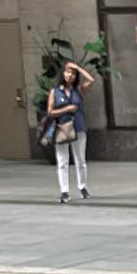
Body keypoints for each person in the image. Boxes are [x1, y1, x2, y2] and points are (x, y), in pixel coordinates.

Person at [43, 61, 94, 202]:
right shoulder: (55, 91)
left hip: (78, 127)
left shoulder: (78, 90)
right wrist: (67, 109)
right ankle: (64, 191)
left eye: (73, 73)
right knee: (62, 161)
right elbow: (50, 112)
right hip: (62, 128)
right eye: (67, 72)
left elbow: (91, 80)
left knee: (80, 160)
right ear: (63, 73)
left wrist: (77, 67)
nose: (70, 75)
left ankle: (82, 187)